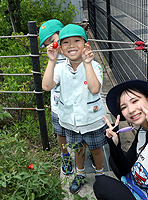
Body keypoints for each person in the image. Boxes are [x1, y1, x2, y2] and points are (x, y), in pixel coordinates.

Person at [42, 24, 107, 194]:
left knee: (96, 149)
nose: (71, 45)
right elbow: (47, 85)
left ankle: (100, 174)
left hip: (91, 120)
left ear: (86, 44)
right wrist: (51, 60)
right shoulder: (60, 68)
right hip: (71, 121)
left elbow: (94, 89)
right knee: (78, 149)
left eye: (77, 40)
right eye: (66, 43)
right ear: (61, 49)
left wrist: (87, 63)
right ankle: (80, 174)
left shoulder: (95, 66)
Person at [39, 19, 73, 175]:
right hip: (58, 104)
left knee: (81, 131)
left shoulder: (72, 51)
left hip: (75, 103)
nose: (51, 45)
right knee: (61, 133)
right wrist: (51, 59)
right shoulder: (53, 58)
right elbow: (47, 83)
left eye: (53, 40)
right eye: (48, 43)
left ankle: (89, 154)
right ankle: (65, 154)